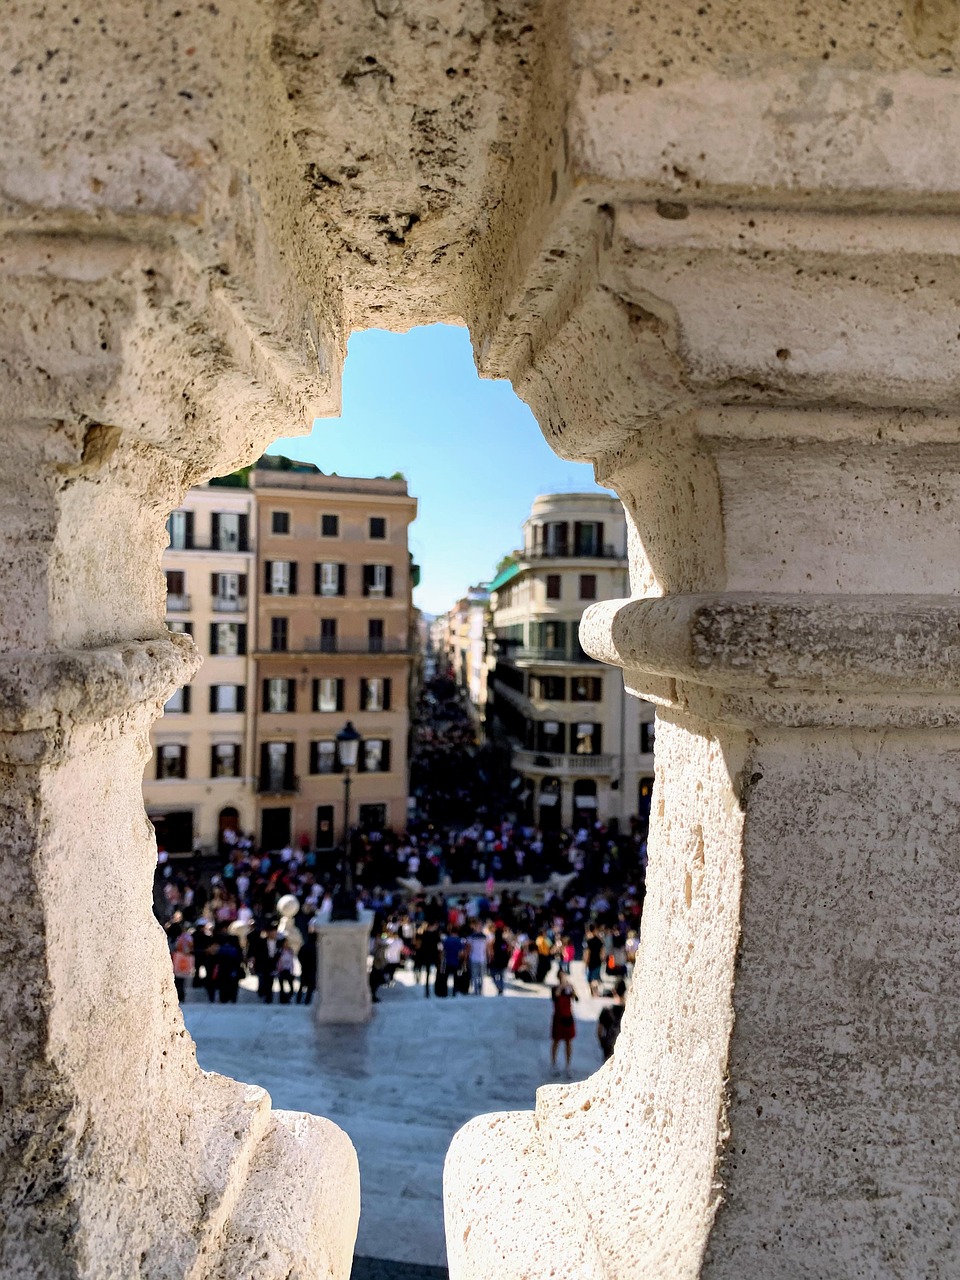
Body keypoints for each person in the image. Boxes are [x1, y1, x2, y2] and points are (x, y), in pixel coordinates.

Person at [550, 972, 578, 1077]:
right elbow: (555, 996)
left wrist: (573, 989)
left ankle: (568, 1065)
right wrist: (562, 986)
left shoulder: (568, 989)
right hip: (558, 1018)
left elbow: (576, 998)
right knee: (556, 1041)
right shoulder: (555, 988)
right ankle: (554, 1064)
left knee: (568, 1042)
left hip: (568, 1016)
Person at [597, 979, 627, 1061]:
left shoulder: (606, 1011)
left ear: (614, 991)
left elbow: (599, 1032)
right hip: (624, 1048)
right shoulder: (629, 1011)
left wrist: (603, 1044)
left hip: (609, 1046)